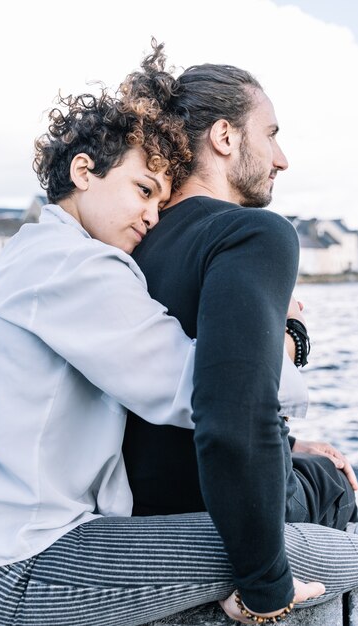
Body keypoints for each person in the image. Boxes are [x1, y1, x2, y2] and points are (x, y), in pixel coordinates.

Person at [0, 59, 357, 626]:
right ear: (84, 171)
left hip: (16, 542)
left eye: (159, 198)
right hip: (8, 567)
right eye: (142, 190)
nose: (150, 214)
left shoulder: (59, 257)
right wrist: (285, 336)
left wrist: (286, 434)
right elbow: (206, 392)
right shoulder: (67, 265)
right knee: (306, 551)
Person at [121, 43, 358, 624]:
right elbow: (233, 420)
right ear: (225, 138)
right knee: (338, 484)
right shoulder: (253, 233)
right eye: (271, 133)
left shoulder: (132, 241)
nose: (281, 157)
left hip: (145, 506)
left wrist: (291, 443)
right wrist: (265, 584)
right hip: (228, 513)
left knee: (317, 465)